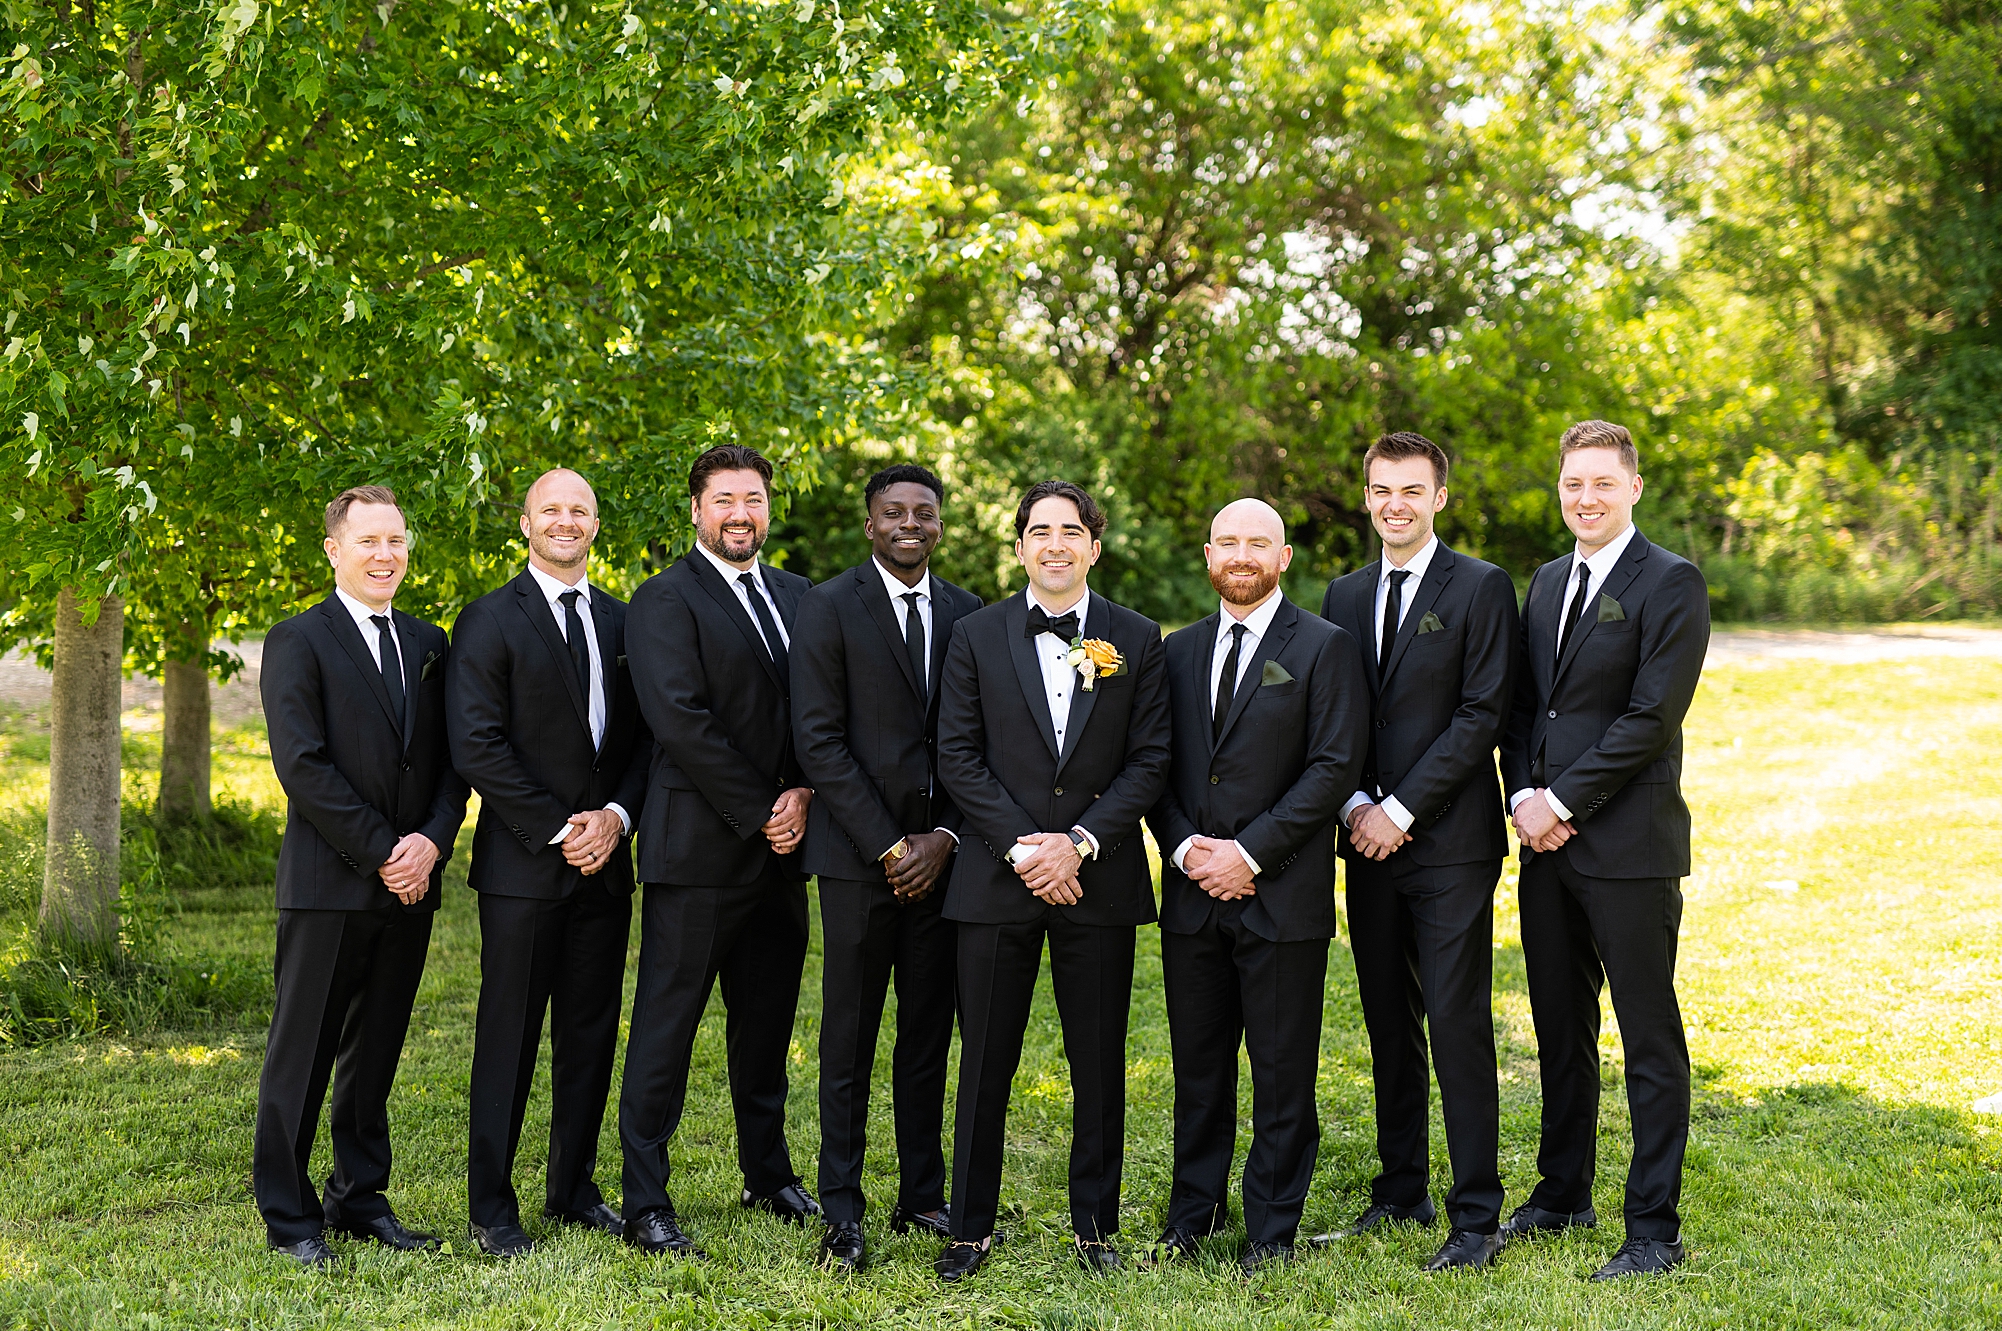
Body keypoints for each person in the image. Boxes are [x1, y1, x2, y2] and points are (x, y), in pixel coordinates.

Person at [931, 480, 1172, 1283]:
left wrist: (1078, 843)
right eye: (1040, 530)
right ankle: (969, 1227)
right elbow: (957, 754)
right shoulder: (974, 634)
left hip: (1096, 879)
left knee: (1097, 1059)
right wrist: (1025, 850)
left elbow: (1150, 759)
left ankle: (1095, 1229)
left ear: (1095, 547)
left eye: (1072, 531)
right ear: (1020, 546)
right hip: (996, 879)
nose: (1056, 544)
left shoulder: (1136, 637)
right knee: (984, 1060)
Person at [1498, 420, 1710, 1279]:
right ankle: (1562, 1193)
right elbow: (1525, 707)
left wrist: (1560, 800)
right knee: (1559, 1025)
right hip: (1545, 846)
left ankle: (1653, 1229)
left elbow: (1651, 717)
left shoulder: (1672, 581)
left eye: (1602, 483)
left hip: (1630, 846)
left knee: (1648, 1036)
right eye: (1572, 483)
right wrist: (1522, 796)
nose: (1585, 498)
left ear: (1633, 488)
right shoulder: (1549, 579)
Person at [1313, 433, 1521, 1270]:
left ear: (1439, 497)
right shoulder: (1343, 592)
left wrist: (1400, 809)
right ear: (1366, 497)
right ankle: (1401, 1188)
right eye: (1381, 489)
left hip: (1450, 844)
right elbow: (1332, 712)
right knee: (1388, 1022)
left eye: (1411, 490)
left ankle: (1476, 1216)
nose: (1394, 504)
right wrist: (1357, 803)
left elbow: (1481, 714)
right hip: (1366, 841)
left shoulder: (1480, 586)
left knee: (1456, 1020)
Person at [1145, 499, 1367, 1275]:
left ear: (1284, 557)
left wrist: (1250, 853)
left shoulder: (1325, 646)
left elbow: (1333, 766)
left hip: (1283, 896)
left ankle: (1271, 1229)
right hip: (1192, 895)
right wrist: (1184, 849)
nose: (1243, 555)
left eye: (1259, 542)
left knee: (1281, 1074)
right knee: (1198, 1070)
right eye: (1229, 542)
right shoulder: (1176, 650)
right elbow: (1154, 763)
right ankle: (1192, 1213)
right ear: (1209, 554)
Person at [252, 485, 469, 1267]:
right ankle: (289, 1215)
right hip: (329, 882)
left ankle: (359, 1197)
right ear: (334, 550)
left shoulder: (429, 641)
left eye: (396, 540)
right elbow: (302, 765)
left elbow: (453, 760)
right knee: (303, 1053)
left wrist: (431, 843)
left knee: (375, 1052)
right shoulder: (297, 640)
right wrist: (385, 850)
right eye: (369, 540)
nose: (385, 554)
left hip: (413, 882)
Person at [446, 468, 653, 1258]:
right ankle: (492, 1208)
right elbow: (477, 744)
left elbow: (645, 740)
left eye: (580, 510)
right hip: (524, 867)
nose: (566, 521)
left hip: (607, 862)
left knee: (590, 1033)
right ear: (526, 524)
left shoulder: (625, 621)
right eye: (550, 510)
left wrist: (617, 817)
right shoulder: (489, 618)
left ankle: (573, 1188)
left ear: (596, 525)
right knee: (510, 1036)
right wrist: (561, 828)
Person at [617, 444, 818, 1258]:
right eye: (725, 499)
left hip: (785, 851)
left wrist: (804, 792)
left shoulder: (801, 596)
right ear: (697, 509)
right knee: (666, 1028)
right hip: (698, 850)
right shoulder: (663, 599)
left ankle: (767, 1173)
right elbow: (680, 718)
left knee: (765, 1026)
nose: (741, 513)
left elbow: (822, 709)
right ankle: (645, 1201)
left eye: (754, 498)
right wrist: (761, 807)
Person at [790, 464, 984, 1273]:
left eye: (924, 512)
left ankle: (922, 1194)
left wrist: (943, 836)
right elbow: (818, 738)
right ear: (870, 524)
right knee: (849, 1036)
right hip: (858, 859)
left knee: (927, 1033)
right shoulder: (827, 606)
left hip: (943, 862)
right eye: (894, 512)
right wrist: (890, 845)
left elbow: (979, 739)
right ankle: (842, 1209)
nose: (910, 523)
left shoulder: (970, 612)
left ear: (940, 524)